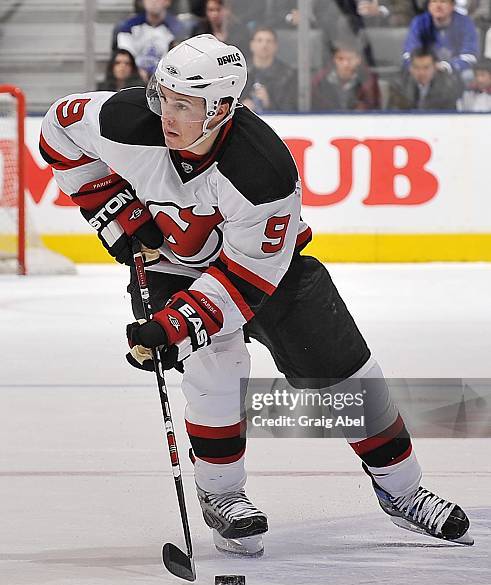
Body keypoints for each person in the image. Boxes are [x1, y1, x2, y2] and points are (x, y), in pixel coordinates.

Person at [40, 34, 473, 556]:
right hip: (171, 268)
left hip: (269, 272)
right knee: (215, 364)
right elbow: (58, 132)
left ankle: (402, 488)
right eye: (163, 98)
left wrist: (172, 326)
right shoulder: (124, 120)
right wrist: (114, 212)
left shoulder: (264, 170)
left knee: (346, 373)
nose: (165, 116)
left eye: (184, 105)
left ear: (222, 107)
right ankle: (223, 496)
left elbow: (242, 282)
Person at [403, 0, 479, 84]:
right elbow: (410, 53)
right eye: (434, 1)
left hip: (455, 71)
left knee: (467, 75)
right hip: (425, 68)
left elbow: (470, 56)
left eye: (443, 1)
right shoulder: (419, 22)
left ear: (452, 5)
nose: (438, 6)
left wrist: (447, 66)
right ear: (429, 5)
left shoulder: (465, 22)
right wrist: (426, 67)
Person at [113, 0, 186, 81]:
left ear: (168, 2)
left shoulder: (177, 29)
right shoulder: (127, 27)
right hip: (133, 80)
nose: (153, 2)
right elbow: (125, 57)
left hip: (165, 80)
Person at [311, 41, 380, 111]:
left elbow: (373, 110)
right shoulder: (319, 81)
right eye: (340, 59)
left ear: (358, 60)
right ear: (334, 60)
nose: (345, 64)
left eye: (350, 59)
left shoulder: (369, 81)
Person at [242, 27, 297, 113]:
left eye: (269, 41)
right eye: (259, 40)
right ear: (251, 45)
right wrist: (241, 107)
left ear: (276, 46)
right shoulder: (240, 72)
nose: (264, 45)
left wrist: (269, 104)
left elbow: (292, 108)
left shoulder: (288, 74)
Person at [388, 47, 463, 110]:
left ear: (435, 67)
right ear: (410, 68)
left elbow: (450, 118)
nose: (421, 73)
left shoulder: (447, 86)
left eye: (426, 68)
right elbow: (393, 115)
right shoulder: (399, 85)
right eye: (416, 67)